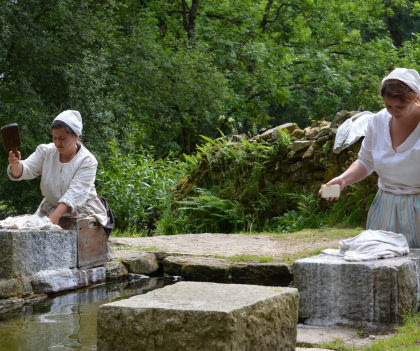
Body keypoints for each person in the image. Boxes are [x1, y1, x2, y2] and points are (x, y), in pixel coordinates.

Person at [322, 68, 420, 248]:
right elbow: (366, 161)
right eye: (389, 106)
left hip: (418, 209)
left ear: (416, 98)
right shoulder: (377, 122)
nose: (394, 112)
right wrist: (343, 179)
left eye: (400, 107)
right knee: (382, 267)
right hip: (385, 209)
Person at [7, 110, 108, 228]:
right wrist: (15, 164)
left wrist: (54, 218)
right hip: (50, 208)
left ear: (75, 136)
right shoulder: (45, 152)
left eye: (62, 138)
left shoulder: (87, 161)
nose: (57, 143)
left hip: (81, 211)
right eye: (54, 138)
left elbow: (74, 193)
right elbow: (24, 170)